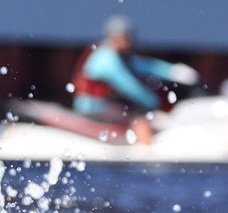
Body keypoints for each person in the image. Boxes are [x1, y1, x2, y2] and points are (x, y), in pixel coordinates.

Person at [71, 16, 199, 140]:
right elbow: (128, 86)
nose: (129, 41)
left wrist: (172, 71)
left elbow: (145, 66)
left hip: (104, 106)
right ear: (114, 37)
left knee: (135, 112)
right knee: (139, 119)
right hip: (92, 108)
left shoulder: (118, 55)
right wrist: (154, 104)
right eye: (125, 37)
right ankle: (146, 153)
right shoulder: (106, 58)